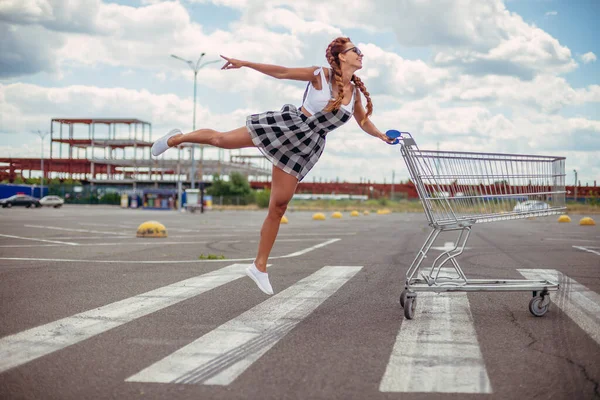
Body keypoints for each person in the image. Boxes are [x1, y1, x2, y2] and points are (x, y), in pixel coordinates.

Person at [151, 36, 394, 295]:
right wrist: (244, 63)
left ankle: (259, 266)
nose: (361, 55)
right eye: (356, 51)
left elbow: (363, 121)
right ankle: (175, 138)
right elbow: (281, 72)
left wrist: (380, 135)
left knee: (278, 207)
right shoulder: (319, 74)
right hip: (288, 126)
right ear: (342, 56)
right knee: (221, 139)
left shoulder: (355, 92)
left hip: (306, 145)